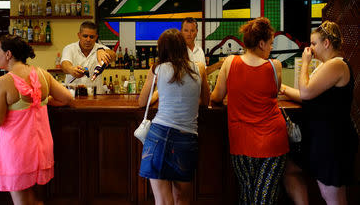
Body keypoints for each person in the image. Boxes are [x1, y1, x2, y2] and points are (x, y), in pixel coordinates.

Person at [0, 34, 73, 205]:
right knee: (32, 199)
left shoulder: (3, 82)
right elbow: (68, 98)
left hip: (17, 151)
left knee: (21, 201)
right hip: (41, 147)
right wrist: (43, 100)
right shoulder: (43, 74)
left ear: (8, 54)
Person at [210, 17, 288, 205]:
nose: (271, 48)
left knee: (247, 193)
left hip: (241, 141)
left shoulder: (229, 62)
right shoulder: (274, 66)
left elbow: (216, 97)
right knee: (264, 198)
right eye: (270, 43)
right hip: (272, 141)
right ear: (261, 43)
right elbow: (275, 91)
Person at [280, 21, 358, 205]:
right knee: (290, 169)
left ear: (326, 43)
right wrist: (282, 88)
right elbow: (308, 96)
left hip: (332, 141)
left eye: (313, 44)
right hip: (322, 138)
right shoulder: (326, 66)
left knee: (332, 197)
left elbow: (306, 92)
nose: (310, 48)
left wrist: (305, 63)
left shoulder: (336, 65)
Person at [138, 28, 210, 204]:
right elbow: (205, 101)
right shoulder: (199, 68)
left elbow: (142, 102)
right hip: (186, 139)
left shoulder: (157, 69)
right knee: (182, 198)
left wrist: (158, 94)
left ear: (161, 49)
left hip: (158, 136)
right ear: (183, 46)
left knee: (162, 200)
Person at [61, 21, 116, 93]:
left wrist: (103, 51)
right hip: (73, 95)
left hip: (96, 96)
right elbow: (65, 64)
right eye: (85, 36)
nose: (88, 40)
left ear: (96, 37)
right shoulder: (69, 48)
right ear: (79, 35)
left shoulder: (100, 48)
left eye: (92, 37)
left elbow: (113, 55)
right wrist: (71, 69)